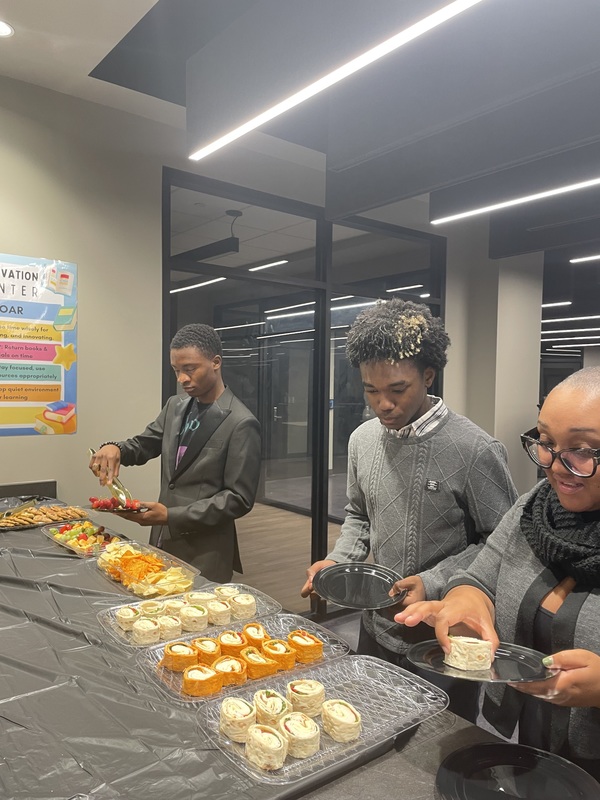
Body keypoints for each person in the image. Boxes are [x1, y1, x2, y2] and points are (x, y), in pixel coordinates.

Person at [301, 298, 517, 720]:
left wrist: (434, 580)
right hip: (376, 624)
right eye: (371, 390)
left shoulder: (474, 449)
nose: (383, 404)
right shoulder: (363, 440)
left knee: (435, 752)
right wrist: (336, 561)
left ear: (428, 375)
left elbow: (501, 545)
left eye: (397, 390)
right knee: (369, 722)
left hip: (442, 636)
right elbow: (359, 515)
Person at [395, 366, 600, 778]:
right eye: (545, 442)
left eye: (582, 450)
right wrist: (464, 604)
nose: (556, 466)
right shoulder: (536, 508)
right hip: (529, 746)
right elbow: (480, 575)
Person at [89, 323, 261, 583]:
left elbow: (238, 499)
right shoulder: (175, 406)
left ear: (215, 362)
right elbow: (145, 444)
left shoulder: (240, 422)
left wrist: (171, 515)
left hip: (205, 552)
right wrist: (116, 449)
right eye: (176, 370)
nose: (182, 379)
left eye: (190, 369)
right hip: (161, 540)